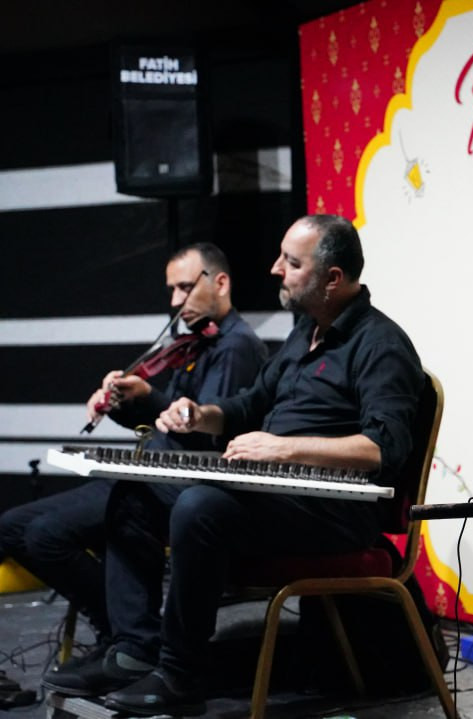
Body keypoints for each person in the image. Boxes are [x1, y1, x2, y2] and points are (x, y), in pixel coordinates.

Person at [41, 214, 426, 717]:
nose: (275, 269)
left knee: (201, 507)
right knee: (136, 491)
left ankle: (181, 674)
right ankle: (136, 650)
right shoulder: (304, 333)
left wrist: (284, 449)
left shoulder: (381, 345)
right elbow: (248, 404)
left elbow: (385, 448)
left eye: (291, 262)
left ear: (332, 278)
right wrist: (201, 415)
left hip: (336, 510)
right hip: (279, 492)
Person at [0, 243, 267, 652]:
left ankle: (124, 637)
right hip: (146, 471)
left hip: (172, 485)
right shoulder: (197, 344)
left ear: (221, 283)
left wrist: (148, 395)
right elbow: (161, 425)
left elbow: (204, 437)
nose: (175, 302)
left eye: (184, 288)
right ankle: (117, 628)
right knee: (13, 527)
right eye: (171, 290)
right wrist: (122, 404)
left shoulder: (236, 347)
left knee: (44, 536)